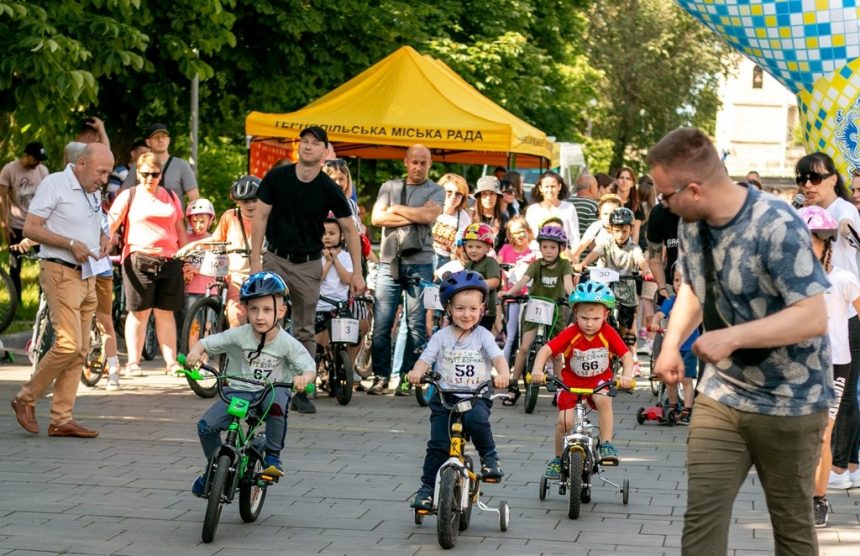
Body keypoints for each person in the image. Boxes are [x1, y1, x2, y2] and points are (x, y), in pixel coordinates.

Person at [649, 127, 832, 555]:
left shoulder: (776, 223)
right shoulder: (692, 225)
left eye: (666, 196)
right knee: (701, 522)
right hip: (722, 398)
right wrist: (672, 343)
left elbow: (814, 315)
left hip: (791, 402)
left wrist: (732, 337)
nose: (663, 204)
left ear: (693, 189)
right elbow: (695, 287)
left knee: (792, 529)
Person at [251, 126, 364, 413]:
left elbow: (350, 230)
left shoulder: (328, 188)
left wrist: (359, 272)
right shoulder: (277, 177)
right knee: (263, 320)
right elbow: (260, 217)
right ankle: (257, 383)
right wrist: (255, 262)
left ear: (325, 152)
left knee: (304, 327)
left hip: (308, 263)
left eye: (315, 143)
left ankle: (301, 389)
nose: (308, 147)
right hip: (275, 258)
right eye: (304, 142)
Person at [10, 143, 113, 438]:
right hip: (60, 271)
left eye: (107, 172)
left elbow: (96, 220)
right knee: (68, 344)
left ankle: (61, 419)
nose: (104, 179)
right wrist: (69, 243)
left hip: (88, 274)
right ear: (81, 164)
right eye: (101, 171)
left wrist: (104, 236)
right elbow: (31, 228)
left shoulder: (91, 188)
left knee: (80, 350)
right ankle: (25, 398)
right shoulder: (55, 183)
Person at [185, 272, 317, 493]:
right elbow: (208, 342)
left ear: (281, 311)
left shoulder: (287, 343)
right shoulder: (239, 334)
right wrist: (195, 353)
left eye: (267, 310)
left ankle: (273, 457)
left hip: (271, 392)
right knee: (206, 426)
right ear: (245, 309)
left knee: (277, 404)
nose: (259, 316)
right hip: (239, 391)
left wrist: (304, 379)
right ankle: (215, 468)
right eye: (254, 309)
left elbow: (308, 367)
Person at [405, 271, 511, 510]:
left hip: (476, 396)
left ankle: (489, 457)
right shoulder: (441, 337)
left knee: (477, 420)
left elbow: (498, 358)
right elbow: (426, 359)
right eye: (461, 309)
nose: (467, 314)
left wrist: (503, 373)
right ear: (449, 309)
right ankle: (427, 490)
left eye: (473, 309)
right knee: (438, 446)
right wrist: (417, 372)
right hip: (445, 397)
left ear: (482, 309)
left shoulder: (483, 335)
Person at [795, 154, 860, 491]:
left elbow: (850, 226)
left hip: (845, 312)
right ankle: (843, 465)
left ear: (834, 179)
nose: (808, 185)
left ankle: (838, 468)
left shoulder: (843, 212)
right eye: (802, 179)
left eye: (815, 178)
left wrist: (847, 227)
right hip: (815, 320)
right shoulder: (809, 214)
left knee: (844, 396)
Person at [531, 281, 635, 474]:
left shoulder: (607, 332)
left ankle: (606, 443)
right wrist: (538, 370)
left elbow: (626, 356)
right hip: (572, 381)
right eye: (584, 317)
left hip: (599, 380)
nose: (589, 323)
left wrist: (626, 376)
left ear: (605, 315)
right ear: (575, 313)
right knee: (564, 422)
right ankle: (556, 458)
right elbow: (546, 350)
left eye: (595, 318)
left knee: (604, 400)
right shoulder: (572, 333)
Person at [368, 144, 443, 395]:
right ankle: (380, 375)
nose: (418, 167)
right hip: (390, 260)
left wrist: (397, 209)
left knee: (416, 323)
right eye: (414, 162)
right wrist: (418, 215)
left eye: (424, 162)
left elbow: (430, 216)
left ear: (430, 164)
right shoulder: (389, 187)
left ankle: (407, 377)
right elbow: (377, 219)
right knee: (382, 322)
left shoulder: (436, 189)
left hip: (420, 261)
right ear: (406, 162)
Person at [108, 152, 188, 377]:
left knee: (166, 313)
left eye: (154, 174)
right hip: (139, 259)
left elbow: (180, 229)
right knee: (139, 313)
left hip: (170, 260)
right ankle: (133, 362)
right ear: (137, 173)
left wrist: (186, 257)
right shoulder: (128, 195)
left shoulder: (171, 196)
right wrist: (103, 242)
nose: (149, 179)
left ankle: (171, 363)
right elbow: (111, 223)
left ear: (161, 174)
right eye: (144, 174)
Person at [504, 226, 575, 402]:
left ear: (561, 248)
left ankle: (561, 387)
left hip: (555, 310)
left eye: (552, 247)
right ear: (540, 248)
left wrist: (574, 296)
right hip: (535, 309)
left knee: (556, 352)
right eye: (545, 247)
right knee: (525, 348)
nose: (548, 251)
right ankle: (513, 385)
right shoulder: (536, 265)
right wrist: (509, 292)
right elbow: (524, 281)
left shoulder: (564, 265)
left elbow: (567, 283)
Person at [179, 177, 259, 329]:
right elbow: (214, 241)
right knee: (236, 320)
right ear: (236, 200)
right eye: (245, 200)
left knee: (265, 322)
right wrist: (191, 246)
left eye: (254, 200)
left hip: (262, 278)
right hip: (236, 279)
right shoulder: (230, 217)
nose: (250, 204)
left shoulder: (268, 217)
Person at [575, 207, 652, 351]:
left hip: (626, 290)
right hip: (605, 289)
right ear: (610, 229)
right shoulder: (606, 243)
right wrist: (582, 264)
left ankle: (627, 355)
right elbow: (595, 252)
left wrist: (645, 269)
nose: (621, 234)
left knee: (626, 329)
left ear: (631, 230)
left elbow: (639, 258)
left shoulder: (633, 247)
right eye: (617, 230)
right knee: (595, 316)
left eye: (625, 231)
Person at [649, 264, 698, 424]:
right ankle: (673, 406)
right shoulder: (671, 301)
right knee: (669, 379)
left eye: (684, 280)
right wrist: (656, 323)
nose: (679, 284)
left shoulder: (694, 301)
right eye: (677, 280)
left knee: (686, 380)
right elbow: (659, 314)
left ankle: (687, 410)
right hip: (673, 348)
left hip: (689, 347)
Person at [0, 141, 49, 299]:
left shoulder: (42, 171)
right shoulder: (9, 170)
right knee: (15, 265)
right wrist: (4, 224)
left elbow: (49, 198)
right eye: (36, 159)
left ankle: (44, 298)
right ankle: (16, 301)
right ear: (26, 156)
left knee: (46, 263)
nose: (38, 163)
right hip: (17, 225)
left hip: (39, 226)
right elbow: (1, 198)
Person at [315, 218, 365, 366]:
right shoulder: (317, 256)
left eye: (332, 233)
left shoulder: (346, 256)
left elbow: (347, 279)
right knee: (317, 348)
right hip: (321, 305)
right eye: (324, 233)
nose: (327, 237)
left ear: (342, 236)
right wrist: (328, 261)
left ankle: (346, 366)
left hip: (340, 306)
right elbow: (318, 278)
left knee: (354, 337)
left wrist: (335, 260)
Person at [121, 123, 199, 207]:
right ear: (148, 142)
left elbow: (194, 199)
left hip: (175, 218)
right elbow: (123, 195)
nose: (160, 140)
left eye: (164, 136)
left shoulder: (182, 165)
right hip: (145, 218)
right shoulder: (139, 165)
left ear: (169, 140)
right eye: (156, 137)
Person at [497, 216, 536, 363]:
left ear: (528, 232)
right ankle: (504, 368)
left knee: (526, 334)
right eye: (513, 233)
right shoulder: (506, 249)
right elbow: (497, 262)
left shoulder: (533, 252)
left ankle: (528, 364)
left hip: (528, 297)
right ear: (508, 235)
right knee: (511, 334)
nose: (518, 236)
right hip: (511, 297)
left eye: (521, 232)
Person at [461, 223, 502, 334]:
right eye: (470, 246)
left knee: (480, 341)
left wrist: (476, 283)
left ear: (488, 247)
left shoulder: (489, 262)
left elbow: (495, 281)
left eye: (478, 247)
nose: (473, 250)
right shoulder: (468, 264)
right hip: (470, 309)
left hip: (486, 312)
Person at [179, 198, 217, 311]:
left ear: (210, 221)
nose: (198, 225)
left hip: (210, 291)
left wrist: (196, 270)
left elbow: (219, 268)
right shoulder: (185, 239)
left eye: (202, 222)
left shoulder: (214, 240)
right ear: (189, 221)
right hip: (189, 290)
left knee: (208, 326)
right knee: (192, 326)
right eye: (195, 221)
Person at [525, 171, 579, 246]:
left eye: (553, 186)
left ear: (559, 187)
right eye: (547, 186)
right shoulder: (532, 210)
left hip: (562, 254)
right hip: (537, 254)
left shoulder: (569, 207)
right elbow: (529, 237)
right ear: (540, 188)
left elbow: (574, 236)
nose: (550, 190)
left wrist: (574, 256)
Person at [431, 173, 471, 270]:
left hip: (447, 262)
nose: (453, 196)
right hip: (425, 258)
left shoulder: (463, 217)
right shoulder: (429, 207)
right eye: (449, 192)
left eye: (458, 194)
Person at [570, 193, 622, 263]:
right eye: (605, 214)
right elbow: (581, 246)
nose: (608, 217)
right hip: (600, 268)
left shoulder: (623, 228)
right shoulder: (597, 226)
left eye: (613, 214)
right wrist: (567, 260)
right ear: (600, 214)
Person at [471, 176, 509, 251]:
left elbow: (506, 247)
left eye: (492, 194)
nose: (488, 198)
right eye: (484, 194)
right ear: (480, 197)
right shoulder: (470, 216)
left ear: (497, 196)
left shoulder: (505, 220)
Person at [610, 168, 645, 243]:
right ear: (616, 181)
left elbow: (635, 233)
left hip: (627, 248)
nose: (624, 181)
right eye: (621, 178)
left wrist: (632, 251)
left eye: (628, 178)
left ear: (632, 183)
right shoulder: (609, 202)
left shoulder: (637, 205)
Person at [568, 174, 599, 241]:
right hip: (585, 250)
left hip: (565, 250)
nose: (597, 189)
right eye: (596, 186)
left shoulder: (566, 203)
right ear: (592, 189)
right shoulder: (593, 206)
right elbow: (593, 235)